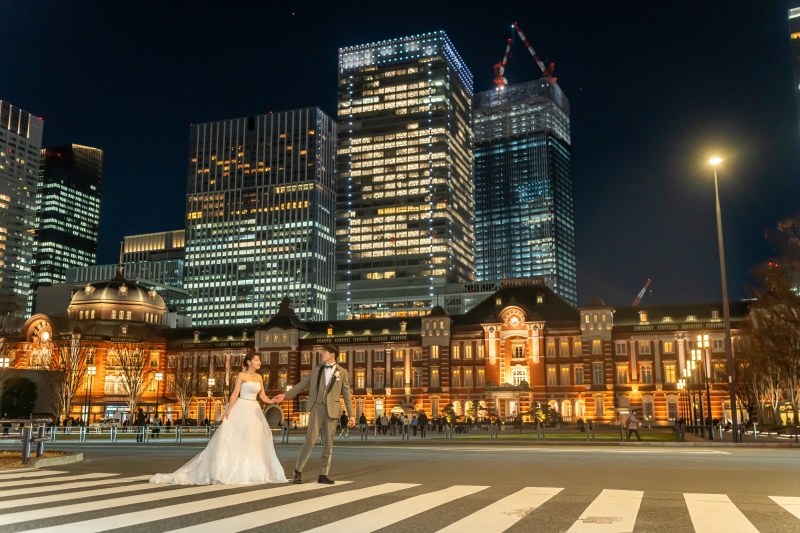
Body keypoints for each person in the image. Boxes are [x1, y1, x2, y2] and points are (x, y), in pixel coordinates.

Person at [150, 353, 287, 485]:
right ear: (248, 362)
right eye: (256, 360)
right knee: (237, 438)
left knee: (254, 439)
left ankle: (252, 470)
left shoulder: (259, 377)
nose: (259, 362)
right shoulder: (241, 375)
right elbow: (234, 394)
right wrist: (228, 410)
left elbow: (262, 395)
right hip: (242, 406)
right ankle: (230, 469)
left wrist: (271, 401)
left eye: (259, 360)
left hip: (254, 408)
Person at [273, 343, 354, 485]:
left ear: (332, 354)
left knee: (328, 443)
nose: (322, 353)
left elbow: (347, 395)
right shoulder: (316, 369)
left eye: (325, 351)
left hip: (332, 410)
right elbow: (303, 384)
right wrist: (285, 395)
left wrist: (351, 415)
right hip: (316, 407)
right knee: (310, 440)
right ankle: (297, 471)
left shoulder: (342, 373)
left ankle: (323, 474)